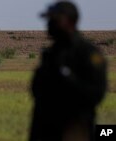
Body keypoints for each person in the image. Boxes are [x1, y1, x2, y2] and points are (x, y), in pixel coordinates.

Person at [30, 1, 107, 141]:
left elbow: (95, 94)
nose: (49, 24)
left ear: (69, 21)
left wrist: (66, 76)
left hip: (74, 130)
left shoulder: (88, 54)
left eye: (54, 20)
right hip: (44, 129)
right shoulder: (51, 53)